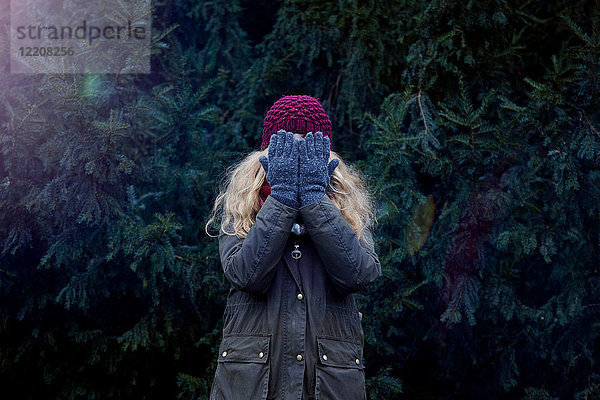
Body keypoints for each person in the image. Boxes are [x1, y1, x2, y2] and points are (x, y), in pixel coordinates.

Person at [205, 95, 382, 400]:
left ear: (324, 151)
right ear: (269, 150)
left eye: (307, 143)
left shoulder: (344, 206)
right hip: (253, 384)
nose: (297, 152)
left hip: (327, 384)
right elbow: (247, 276)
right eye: (288, 142)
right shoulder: (243, 204)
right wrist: (282, 198)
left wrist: (316, 200)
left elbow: (357, 274)